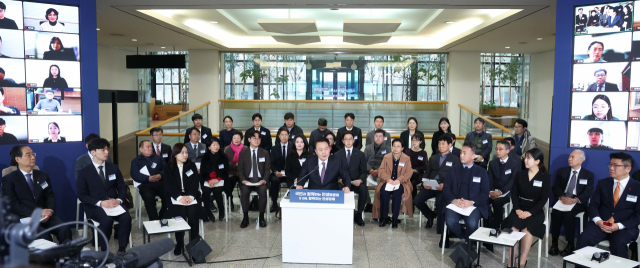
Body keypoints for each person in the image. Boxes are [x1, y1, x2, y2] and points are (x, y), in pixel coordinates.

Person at [2, 145, 72, 244]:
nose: (33, 157)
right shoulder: (9, 179)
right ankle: (48, 258)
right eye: (28, 155)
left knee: (64, 229)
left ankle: (67, 257)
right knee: (44, 235)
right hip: (24, 218)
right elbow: (12, 204)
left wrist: (50, 211)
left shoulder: (43, 175)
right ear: (17, 159)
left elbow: (50, 195)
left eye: (33, 154)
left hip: (45, 215)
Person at [577, 152, 640, 259]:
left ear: (628, 168)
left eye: (616, 165)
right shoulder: (603, 183)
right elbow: (593, 206)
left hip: (624, 227)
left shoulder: (637, 187)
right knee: (584, 238)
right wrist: (599, 221)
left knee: (619, 243)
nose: (611, 168)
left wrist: (619, 226)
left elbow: (638, 215)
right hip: (601, 223)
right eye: (610, 164)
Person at [76, 138, 132, 255]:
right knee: (106, 220)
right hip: (95, 206)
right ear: (93, 152)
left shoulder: (113, 168)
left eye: (107, 149)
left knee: (126, 218)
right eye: (103, 150)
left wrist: (118, 200)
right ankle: (104, 250)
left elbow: (122, 187)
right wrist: (100, 203)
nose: (107, 152)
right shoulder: (84, 172)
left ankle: (122, 249)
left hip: (114, 204)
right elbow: (82, 195)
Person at [502, 148, 551, 268]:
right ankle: (511, 261)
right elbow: (514, 193)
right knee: (513, 228)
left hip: (535, 211)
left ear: (537, 161)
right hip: (519, 208)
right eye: (526, 157)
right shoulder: (521, 174)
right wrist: (517, 209)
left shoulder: (545, 177)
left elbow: (543, 199)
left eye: (529, 157)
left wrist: (529, 212)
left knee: (527, 230)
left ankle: (522, 262)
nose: (525, 160)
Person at [414, 135, 461, 240]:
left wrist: (445, 185)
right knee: (417, 200)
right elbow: (427, 173)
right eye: (439, 143)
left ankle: (441, 229)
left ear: (450, 145)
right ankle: (430, 215)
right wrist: (424, 183)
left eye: (443, 143)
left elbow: (456, 178)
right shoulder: (433, 157)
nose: (440, 146)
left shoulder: (455, 160)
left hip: (444, 187)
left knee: (440, 203)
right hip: (431, 185)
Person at [549, 150, 595, 257]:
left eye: (572, 157)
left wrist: (576, 200)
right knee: (556, 213)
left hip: (577, 201)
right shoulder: (562, 171)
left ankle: (570, 244)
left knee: (568, 215)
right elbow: (556, 187)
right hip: (563, 198)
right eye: (569, 156)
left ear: (581, 160)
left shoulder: (588, 175)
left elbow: (588, 191)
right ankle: (554, 243)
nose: (569, 159)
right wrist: (561, 197)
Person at [443, 142, 490, 247]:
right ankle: (464, 237)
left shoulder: (481, 172)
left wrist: (472, 202)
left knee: (472, 223)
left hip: (473, 205)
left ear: (473, 156)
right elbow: (446, 188)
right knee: (450, 221)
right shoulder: (453, 170)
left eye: (465, 153)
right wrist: (454, 200)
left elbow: (485, 193)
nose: (461, 155)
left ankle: (468, 244)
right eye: (461, 153)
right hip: (456, 204)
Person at [163, 143, 205, 256]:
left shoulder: (191, 166)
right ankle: (180, 243)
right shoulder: (168, 168)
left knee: (193, 212)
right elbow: (168, 186)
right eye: (182, 152)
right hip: (175, 197)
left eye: (186, 152)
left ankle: (194, 242)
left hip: (190, 196)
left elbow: (195, 183)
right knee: (180, 214)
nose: (185, 155)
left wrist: (190, 197)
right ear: (175, 154)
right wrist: (180, 197)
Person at [485, 140, 522, 252]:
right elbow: (489, 179)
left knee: (497, 203)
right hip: (493, 192)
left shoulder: (515, 164)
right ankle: (488, 226)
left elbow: (512, 182)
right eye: (496, 149)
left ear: (508, 150)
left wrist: (500, 192)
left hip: (507, 193)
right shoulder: (493, 163)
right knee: (483, 202)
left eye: (500, 149)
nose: (498, 151)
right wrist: (491, 191)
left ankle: (497, 228)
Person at [372, 138, 413, 228]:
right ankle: (384, 218)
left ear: (402, 148)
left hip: (401, 183)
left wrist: (399, 180)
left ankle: (394, 218)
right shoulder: (387, 157)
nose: (395, 148)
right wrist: (388, 179)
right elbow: (381, 170)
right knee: (384, 194)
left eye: (398, 146)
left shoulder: (406, 158)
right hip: (387, 182)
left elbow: (409, 172)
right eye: (394, 146)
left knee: (397, 195)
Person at [238, 129, 270, 228]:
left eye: (259, 138)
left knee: (263, 191)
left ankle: (261, 217)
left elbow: (267, 169)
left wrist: (264, 180)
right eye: (254, 138)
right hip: (248, 181)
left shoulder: (264, 152)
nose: (257, 140)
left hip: (260, 180)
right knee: (245, 192)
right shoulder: (243, 153)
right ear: (249, 139)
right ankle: (245, 217)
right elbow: (240, 169)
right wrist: (244, 180)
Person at [335, 131, 369, 226]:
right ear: (342, 141)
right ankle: (346, 213)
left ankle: (359, 215)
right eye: (346, 139)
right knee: (336, 187)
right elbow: (334, 170)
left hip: (356, 183)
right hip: (343, 183)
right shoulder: (337, 154)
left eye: (350, 139)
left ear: (354, 140)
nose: (348, 141)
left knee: (364, 189)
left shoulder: (360, 154)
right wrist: (339, 179)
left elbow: (364, 171)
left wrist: (360, 180)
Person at [130, 140, 167, 222]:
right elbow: (134, 174)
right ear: (141, 149)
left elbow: (166, 169)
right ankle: (154, 220)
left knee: (168, 194)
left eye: (151, 146)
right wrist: (148, 178)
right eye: (148, 147)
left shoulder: (158, 158)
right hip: (146, 185)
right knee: (148, 197)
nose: (150, 148)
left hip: (160, 183)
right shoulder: (136, 161)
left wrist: (160, 175)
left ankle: (163, 216)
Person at [201, 137, 234, 222]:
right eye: (214, 145)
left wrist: (217, 179)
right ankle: (208, 212)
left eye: (217, 144)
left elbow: (226, 171)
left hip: (221, 180)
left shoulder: (223, 156)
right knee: (206, 192)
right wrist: (209, 181)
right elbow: (203, 172)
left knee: (217, 191)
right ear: (209, 147)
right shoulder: (205, 157)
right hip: (208, 180)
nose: (216, 146)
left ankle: (221, 210)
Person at [269, 127, 291, 212]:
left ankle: (290, 203)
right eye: (282, 135)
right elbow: (271, 162)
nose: (284, 137)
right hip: (278, 173)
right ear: (279, 136)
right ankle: (274, 203)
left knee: (293, 182)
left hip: (289, 173)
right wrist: (275, 172)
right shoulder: (274, 148)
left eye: (286, 135)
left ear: (288, 136)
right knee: (274, 181)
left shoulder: (293, 147)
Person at [404, 133, 429, 205]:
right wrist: (410, 170)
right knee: (410, 182)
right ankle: (411, 204)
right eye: (413, 140)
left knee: (413, 183)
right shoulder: (408, 151)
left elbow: (425, 166)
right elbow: (404, 163)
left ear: (421, 141)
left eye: (417, 141)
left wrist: (416, 170)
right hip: (409, 173)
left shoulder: (423, 153)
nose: (414, 142)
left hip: (419, 174)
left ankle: (412, 203)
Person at [223, 130, 244, 210]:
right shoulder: (227, 149)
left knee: (244, 183)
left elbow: (247, 162)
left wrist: (240, 169)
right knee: (229, 181)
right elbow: (225, 163)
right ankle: (230, 199)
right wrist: (235, 164)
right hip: (231, 172)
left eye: (238, 138)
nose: (236, 139)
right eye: (234, 138)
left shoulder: (245, 149)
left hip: (242, 172)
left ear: (241, 139)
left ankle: (244, 202)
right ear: (231, 139)